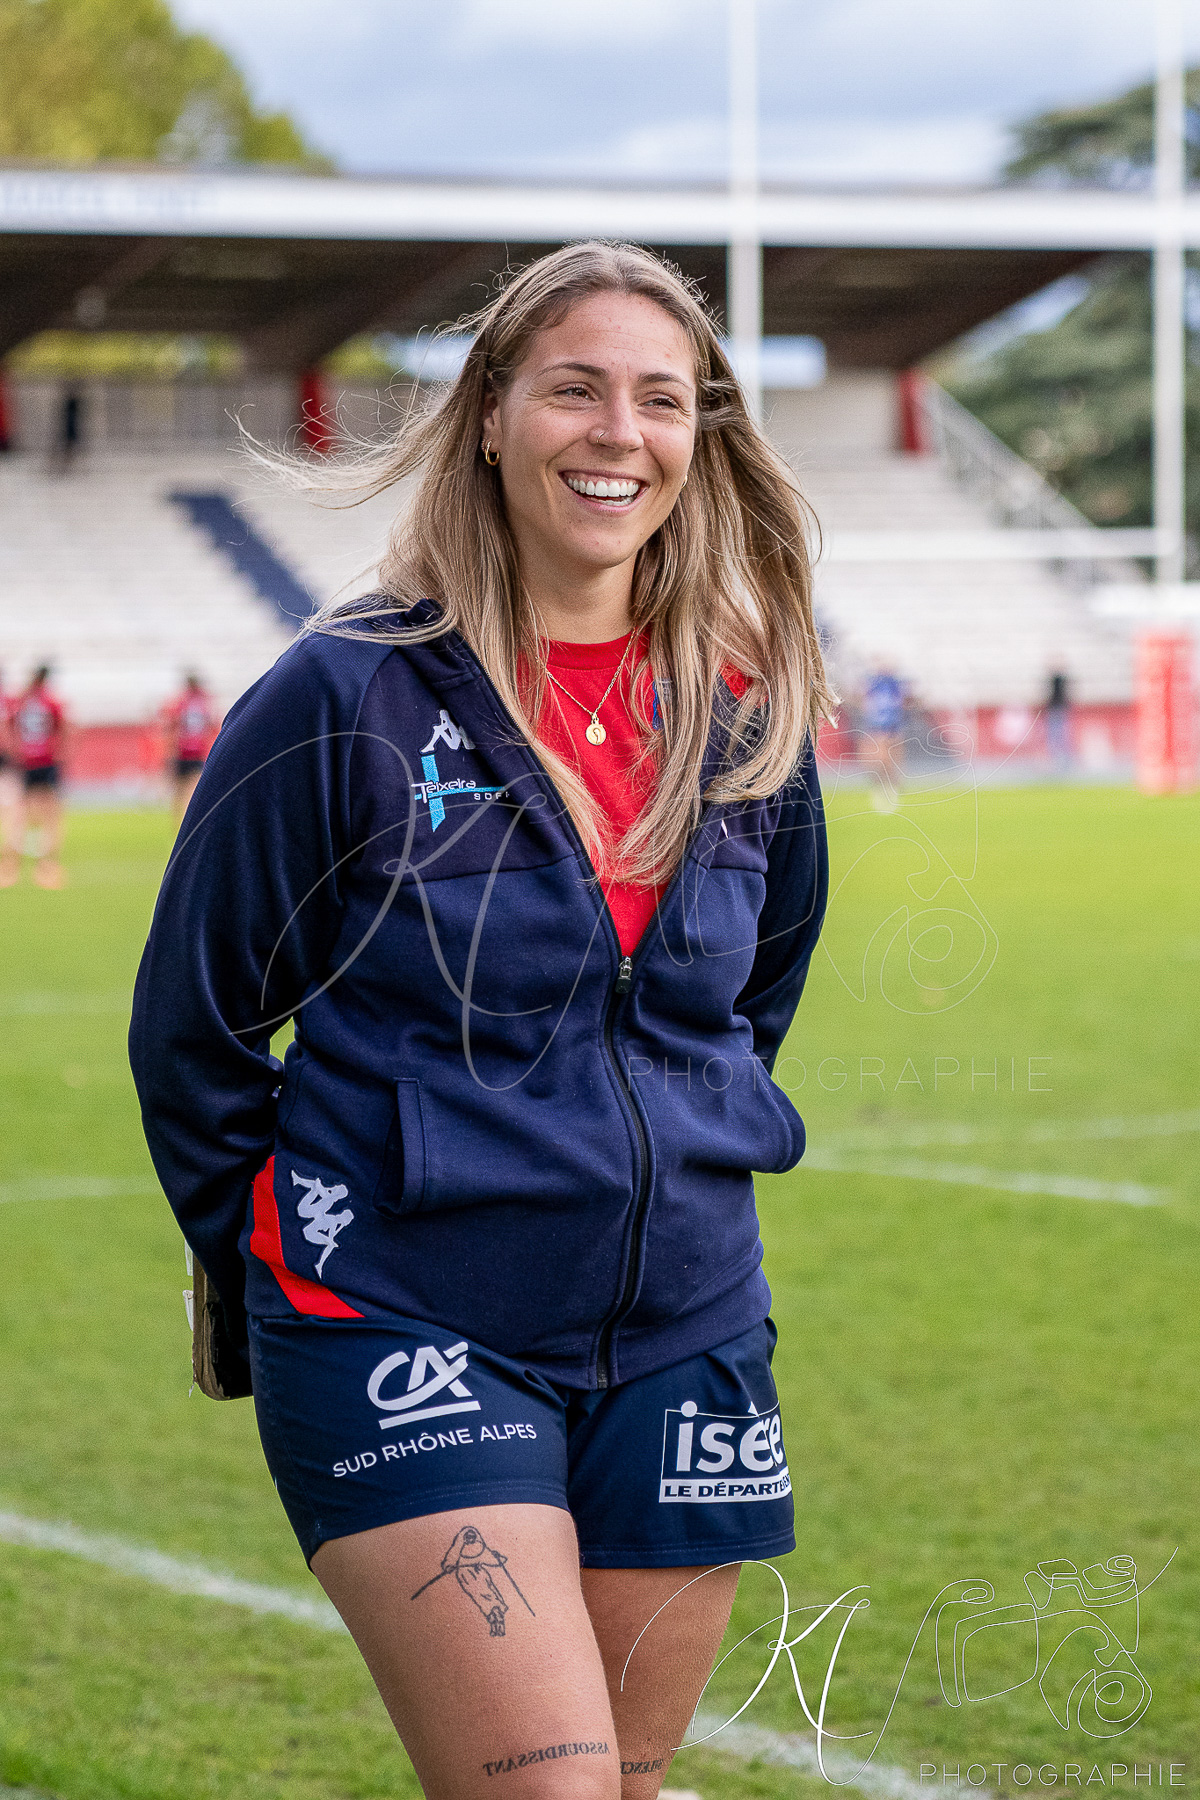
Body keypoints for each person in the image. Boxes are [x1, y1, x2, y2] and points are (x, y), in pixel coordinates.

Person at [129, 242, 831, 1800]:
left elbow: (745, 1004)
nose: (617, 431)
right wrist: (292, 1244)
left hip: (687, 1339)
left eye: (661, 399)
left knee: (630, 1786)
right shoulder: (343, 695)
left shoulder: (744, 703)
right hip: (404, 1323)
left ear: (700, 435)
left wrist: (658, 1162)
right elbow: (193, 1025)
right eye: (573, 387)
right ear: (493, 415)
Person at [8, 665, 69, 888]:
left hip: (26, 761)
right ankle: (47, 866)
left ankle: (11, 866)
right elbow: (64, 728)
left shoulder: (22, 701)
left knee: (20, 811)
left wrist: (16, 749)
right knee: (50, 814)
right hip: (47, 760)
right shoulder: (51, 701)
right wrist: (62, 752)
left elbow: (10, 727)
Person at [161, 672, 218, 820]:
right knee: (192, 791)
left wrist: (170, 750)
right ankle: (188, 822)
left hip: (183, 751)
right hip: (196, 751)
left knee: (180, 792)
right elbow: (211, 724)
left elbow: (173, 725)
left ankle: (180, 825)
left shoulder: (182, 702)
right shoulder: (203, 702)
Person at [859, 664, 907, 811]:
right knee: (879, 760)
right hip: (877, 726)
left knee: (892, 761)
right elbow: (864, 702)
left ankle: (892, 790)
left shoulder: (894, 684)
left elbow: (903, 702)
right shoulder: (874, 684)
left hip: (892, 726)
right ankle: (880, 790)